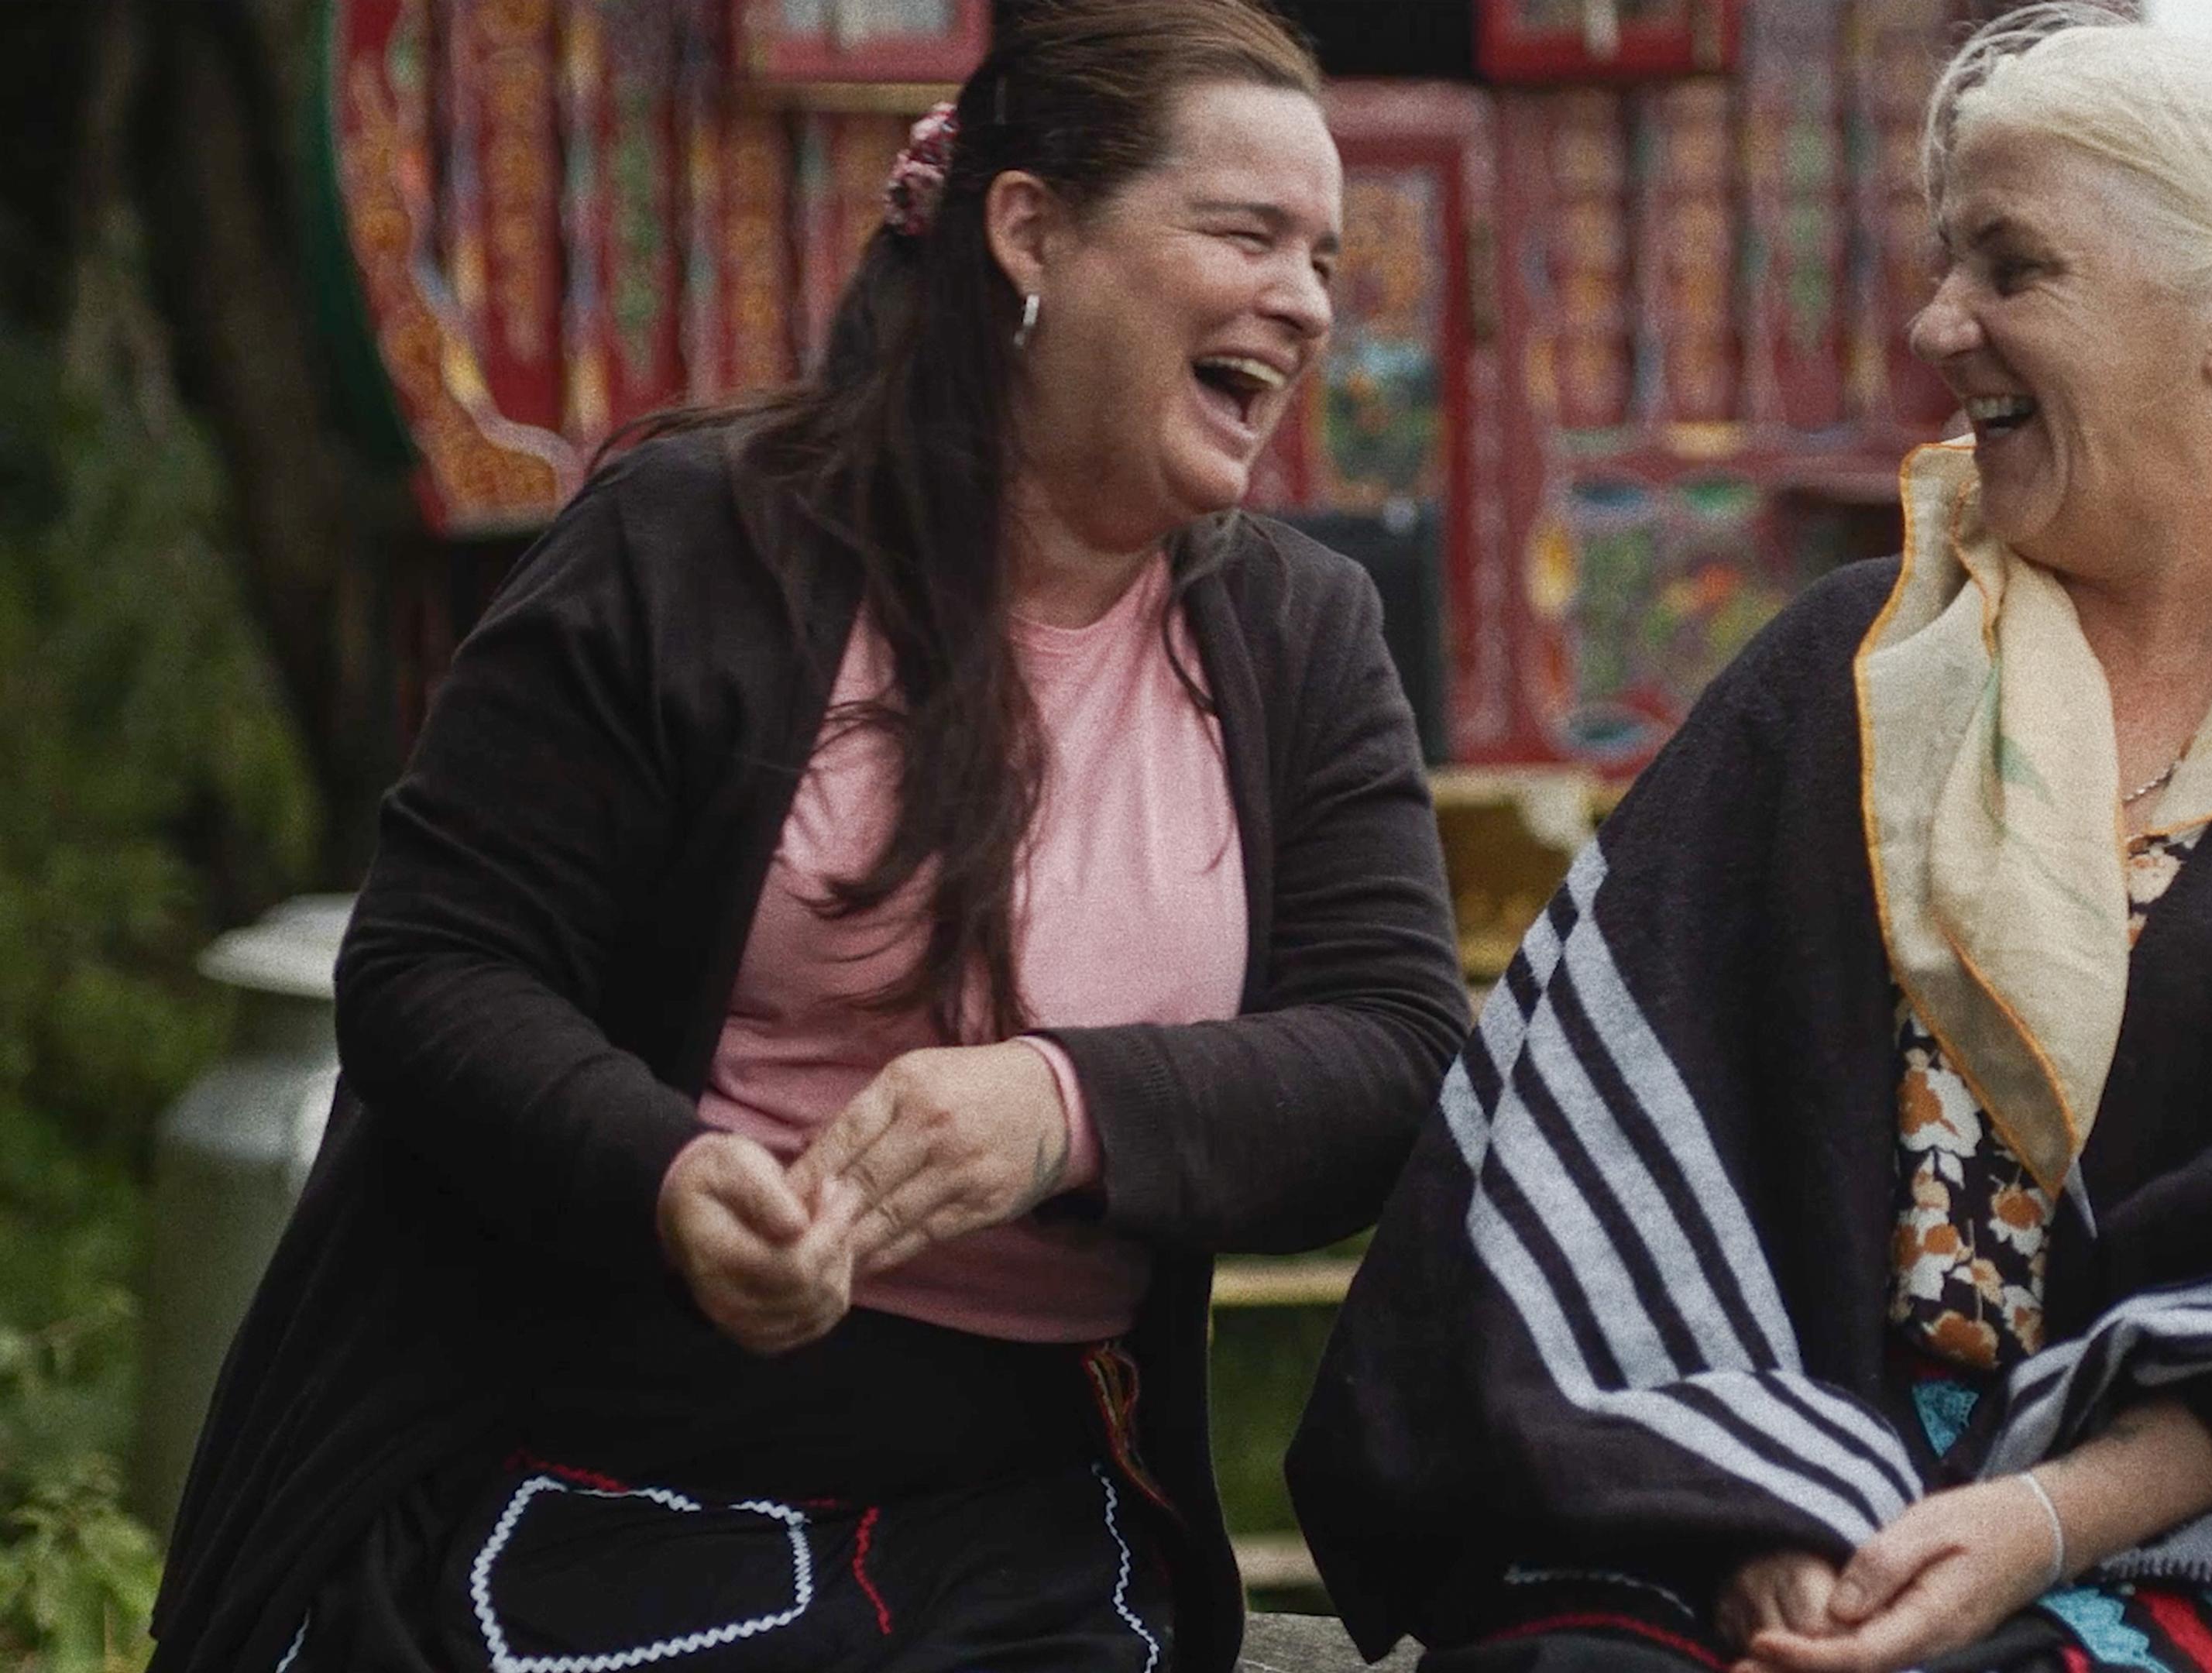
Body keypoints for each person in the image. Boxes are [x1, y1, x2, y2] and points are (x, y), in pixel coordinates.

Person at [1288, 9, 2212, 1672]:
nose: (1938, 323)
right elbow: (1602, 1151)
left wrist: (2041, 1522)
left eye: (2013, 267)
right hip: (1788, 1489)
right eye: (1946, 263)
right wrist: (1756, 1515)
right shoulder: (1850, 674)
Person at [149, 3, 1469, 1669]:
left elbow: (1393, 1051)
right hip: (589, 1447)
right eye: (1246, 234)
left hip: (1033, 1505)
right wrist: (665, 1173)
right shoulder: (695, 545)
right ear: (1030, 232)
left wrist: (1063, 1109)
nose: (1306, 301)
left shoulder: (1298, 637)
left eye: (1325, 261)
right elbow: (433, 969)